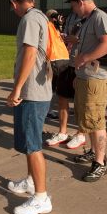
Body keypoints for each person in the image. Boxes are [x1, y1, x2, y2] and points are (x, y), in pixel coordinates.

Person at [5, 0, 53, 214]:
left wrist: (17, 89)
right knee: (28, 143)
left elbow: (30, 53)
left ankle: (41, 198)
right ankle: (31, 182)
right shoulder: (39, 16)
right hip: (34, 92)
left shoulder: (29, 19)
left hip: (33, 93)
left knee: (33, 146)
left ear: (15, 3)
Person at [66, 0, 107, 181]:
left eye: (73, 5)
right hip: (87, 77)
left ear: (81, 2)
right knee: (90, 121)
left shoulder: (100, 17)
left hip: (97, 79)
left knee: (97, 122)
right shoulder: (87, 19)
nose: (73, 9)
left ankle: (100, 163)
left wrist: (84, 58)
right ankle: (94, 152)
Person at [44, 8, 87, 152]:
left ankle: (81, 134)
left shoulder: (93, 18)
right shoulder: (70, 17)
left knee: (80, 101)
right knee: (62, 97)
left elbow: (102, 41)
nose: (72, 6)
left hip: (82, 65)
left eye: (74, 2)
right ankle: (62, 132)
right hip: (66, 62)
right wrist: (63, 37)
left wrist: (78, 40)